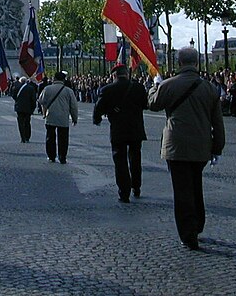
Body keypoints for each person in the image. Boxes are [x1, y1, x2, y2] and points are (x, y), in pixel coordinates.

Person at [148, 47, 224, 250]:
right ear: (197, 63)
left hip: (177, 144)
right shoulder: (209, 88)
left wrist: (155, 86)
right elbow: (218, 122)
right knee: (196, 186)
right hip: (201, 144)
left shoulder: (169, 85)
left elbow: (153, 104)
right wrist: (218, 147)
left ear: (179, 63)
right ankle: (198, 223)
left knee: (182, 191)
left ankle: (188, 233)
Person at [93, 63, 148, 203]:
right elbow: (145, 104)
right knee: (136, 159)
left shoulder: (107, 89)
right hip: (136, 128)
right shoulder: (138, 87)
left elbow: (98, 108)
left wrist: (98, 119)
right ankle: (137, 187)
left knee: (120, 161)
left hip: (118, 129)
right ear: (127, 74)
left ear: (114, 75)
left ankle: (124, 192)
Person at [38, 70, 78, 164]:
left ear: (54, 79)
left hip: (50, 115)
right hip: (63, 117)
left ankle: (51, 156)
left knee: (50, 137)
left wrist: (45, 109)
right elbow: (74, 106)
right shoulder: (68, 91)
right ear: (64, 80)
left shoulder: (47, 89)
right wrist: (74, 118)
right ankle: (62, 156)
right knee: (63, 139)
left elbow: (41, 101)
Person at [12, 76, 38, 143]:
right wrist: (33, 108)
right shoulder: (31, 88)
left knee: (20, 123)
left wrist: (18, 101)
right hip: (28, 108)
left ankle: (22, 137)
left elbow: (13, 96)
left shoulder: (17, 87)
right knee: (27, 122)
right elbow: (33, 99)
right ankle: (27, 137)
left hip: (19, 108)